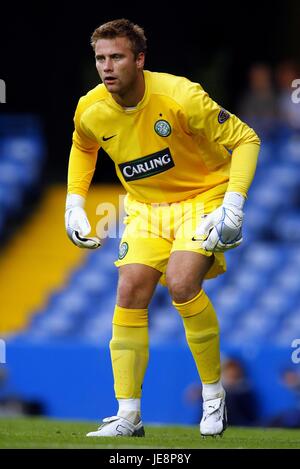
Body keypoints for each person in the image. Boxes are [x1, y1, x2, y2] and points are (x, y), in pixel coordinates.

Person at [65, 18, 260, 438]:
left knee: (181, 281)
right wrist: (74, 203)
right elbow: (83, 146)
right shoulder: (91, 107)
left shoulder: (180, 95)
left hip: (204, 197)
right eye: (100, 58)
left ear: (139, 59)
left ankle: (213, 397)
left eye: (116, 56)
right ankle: (128, 415)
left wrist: (234, 204)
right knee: (130, 289)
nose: (107, 66)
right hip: (146, 207)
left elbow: (246, 139)